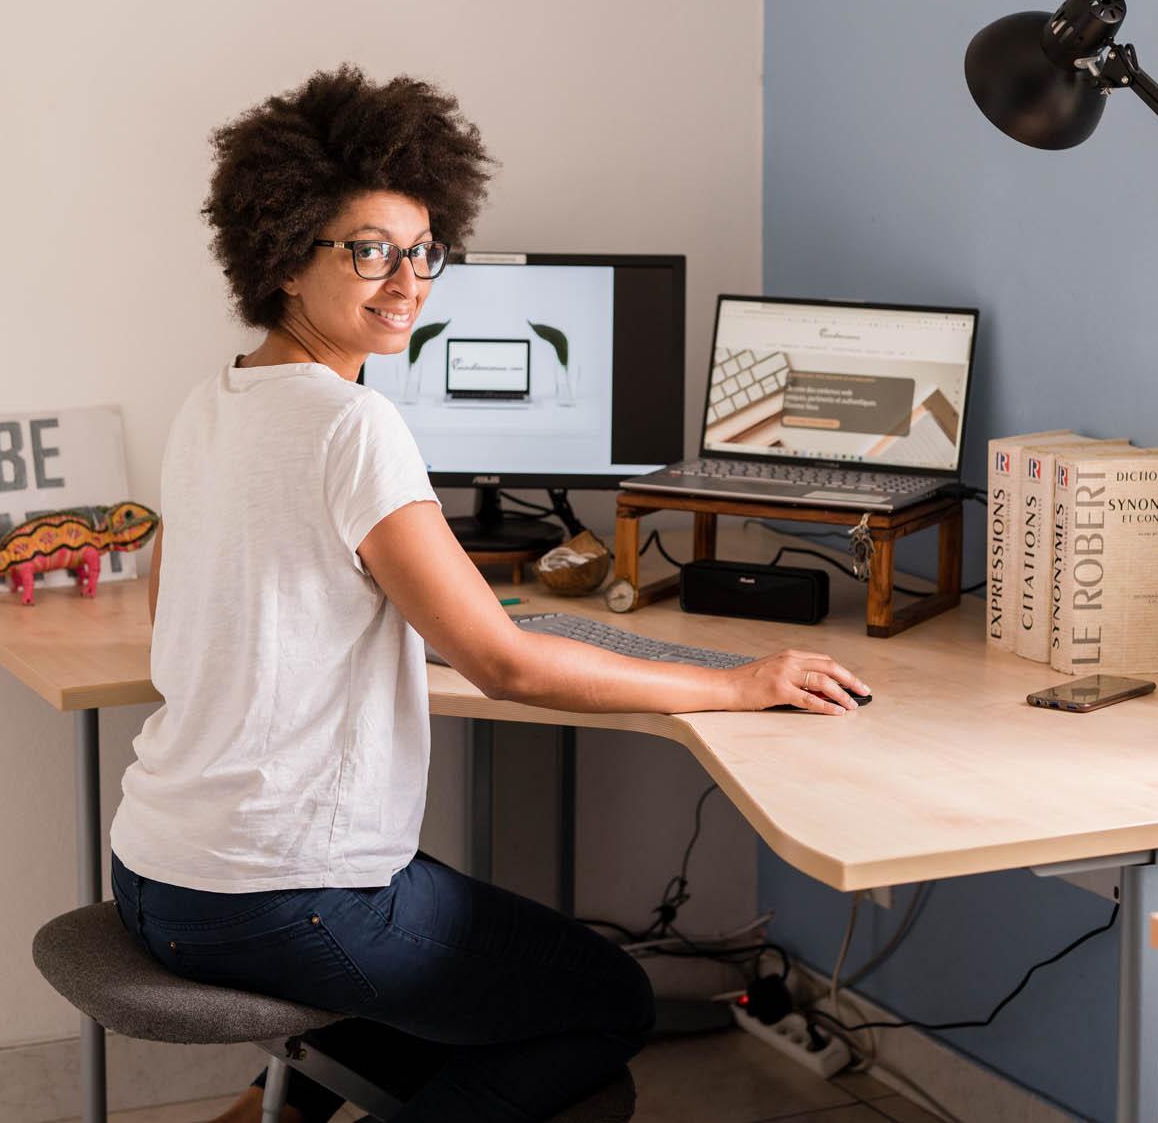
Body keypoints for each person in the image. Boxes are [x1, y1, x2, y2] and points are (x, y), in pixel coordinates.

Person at [107, 65, 869, 1123]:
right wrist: (738, 683)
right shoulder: (350, 425)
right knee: (605, 1002)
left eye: (422, 250)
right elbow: (501, 659)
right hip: (278, 893)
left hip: (156, 870)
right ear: (284, 254)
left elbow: (190, 613)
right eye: (368, 249)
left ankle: (262, 1111)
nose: (407, 280)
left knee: (461, 988)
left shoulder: (212, 399)